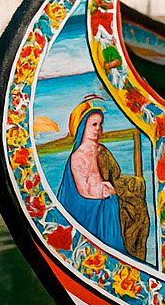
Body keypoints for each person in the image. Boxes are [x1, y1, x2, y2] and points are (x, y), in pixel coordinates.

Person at [57, 99, 149, 261]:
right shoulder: (78, 158)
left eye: (100, 125)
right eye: (93, 125)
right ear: (82, 127)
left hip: (108, 203)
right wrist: (100, 190)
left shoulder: (102, 151)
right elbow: (83, 189)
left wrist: (121, 186)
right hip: (89, 209)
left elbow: (115, 175)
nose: (98, 130)